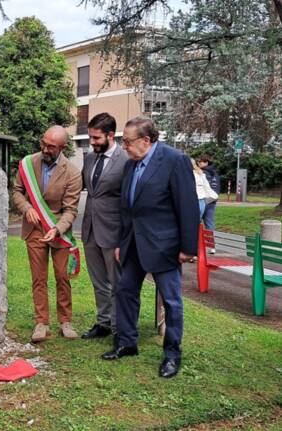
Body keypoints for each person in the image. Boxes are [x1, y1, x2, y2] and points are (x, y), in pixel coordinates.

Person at [101, 117, 199, 379]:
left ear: (146, 140)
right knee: (124, 291)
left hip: (164, 245)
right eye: (123, 142)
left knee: (171, 301)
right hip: (134, 243)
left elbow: (188, 207)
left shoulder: (174, 160)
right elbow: (127, 208)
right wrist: (123, 243)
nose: (124, 147)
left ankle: (172, 355)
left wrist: (188, 247)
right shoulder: (132, 164)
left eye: (128, 142)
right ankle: (127, 343)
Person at [11, 126, 82, 342]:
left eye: (51, 146)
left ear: (62, 147)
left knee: (63, 277)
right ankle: (41, 323)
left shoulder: (72, 172)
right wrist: (26, 208)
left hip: (59, 230)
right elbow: (17, 192)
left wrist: (58, 229)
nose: (44, 148)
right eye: (43, 143)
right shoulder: (27, 163)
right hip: (34, 229)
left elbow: (71, 210)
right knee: (38, 278)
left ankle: (65, 321)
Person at [81, 113, 128, 340]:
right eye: (90, 137)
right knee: (99, 282)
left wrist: (125, 237)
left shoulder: (126, 160)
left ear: (110, 135)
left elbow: (129, 201)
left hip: (113, 233)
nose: (92, 142)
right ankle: (104, 323)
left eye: (96, 138)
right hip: (90, 231)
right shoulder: (90, 159)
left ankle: (120, 329)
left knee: (117, 284)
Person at [198, 154, 220, 253]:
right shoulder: (215, 174)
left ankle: (195, 246)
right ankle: (212, 247)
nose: (199, 163)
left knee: (195, 224)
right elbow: (217, 188)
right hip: (212, 201)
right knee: (209, 224)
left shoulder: (202, 173)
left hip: (201, 200)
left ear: (206, 162)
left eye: (200, 161)